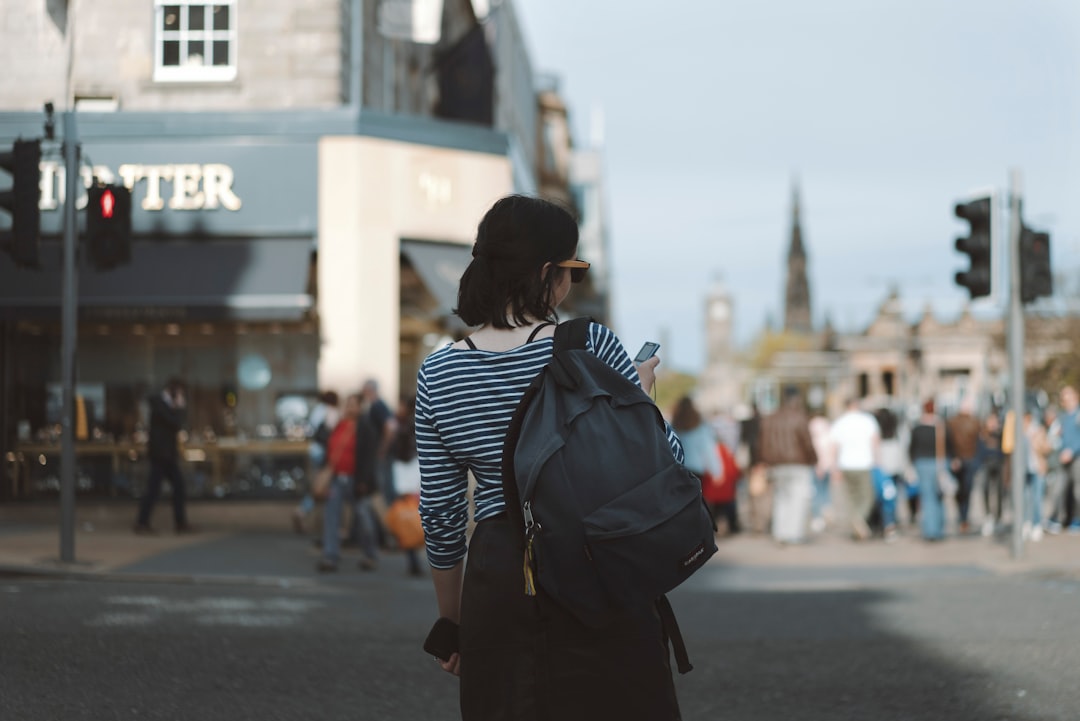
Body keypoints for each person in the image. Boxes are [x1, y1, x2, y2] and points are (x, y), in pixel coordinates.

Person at [416, 195, 683, 719]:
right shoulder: (589, 346)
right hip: (596, 563)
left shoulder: (438, 373)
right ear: (547, 273)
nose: (572, 283)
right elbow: (665, 462)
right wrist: (640, 398)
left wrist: (453, 622)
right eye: (573, 269)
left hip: (498, 577)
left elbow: (441, 515)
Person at [317, 393, 379, 572]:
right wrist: (326, 423)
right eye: (347, 404)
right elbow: (322, 440)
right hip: (336, 478)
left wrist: (364, 482)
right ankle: (330, 557)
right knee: (331, 517)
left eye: (353, 405)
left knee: (363, 518)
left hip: (357, 480)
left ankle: (370, 554)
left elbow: (369, 457)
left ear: (360, 407)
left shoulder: (366, 427)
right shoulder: (337, 424)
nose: (350, 408)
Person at [759, 386, 818, 544]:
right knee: (798, 499)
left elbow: (763, 443)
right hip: (798, 464)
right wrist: (814, 459)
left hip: (777, 465)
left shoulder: (771, 418)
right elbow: (807, 442)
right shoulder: (799, 417)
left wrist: (766, 461)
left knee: (781, 498)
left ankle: (780, 532)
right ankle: (794, 534)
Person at [134, 377, 193, 534]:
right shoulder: (158, 402)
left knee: (177, 487)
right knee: (154, 489)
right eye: (179, 392)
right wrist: (180, 406)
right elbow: (175, 423)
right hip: (160, 454)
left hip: (168, 455)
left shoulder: (165, 404)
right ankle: (142, 523)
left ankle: (179, 523)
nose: (180, 395)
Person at [828, 397, 881, 541]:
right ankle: (860, 519)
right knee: (866, 497)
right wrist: (878, 462)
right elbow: (875, 442)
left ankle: (856, 522)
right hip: (864, 463)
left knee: (851, 497)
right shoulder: (868, 421)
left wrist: (834, 467)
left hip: (845, 464)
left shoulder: (840, 422)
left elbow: (834, 447)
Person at [293, 390, 339, 535]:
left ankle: (305, 512)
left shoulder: (317, 410)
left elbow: (309, 430)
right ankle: (307, 513)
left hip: (314, 450)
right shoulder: (331, 412)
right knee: (323, 486)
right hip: (325, 453)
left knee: (318, 485)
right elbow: (332, 434)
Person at [671, 395, 723, 503]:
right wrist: (717, 470)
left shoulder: (674, 424)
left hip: (678, 471)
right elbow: (708, 449)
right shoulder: (700, 425)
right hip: (697, 472)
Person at [908, 399, 945, 541]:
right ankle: (938, 528)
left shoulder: (918, 428)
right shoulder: (940, 427)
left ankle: (930, 531)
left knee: (927, 497)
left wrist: (911, 464)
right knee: (939, 497)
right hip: (939, 463)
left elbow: (912, 448)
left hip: (922, 464)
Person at [946, 398, 982, 535]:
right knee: (966, 490)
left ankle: (962, 517)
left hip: (958, 460)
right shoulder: (975, 422)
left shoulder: (951, 422)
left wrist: (953, 457)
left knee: (959, 490)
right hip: (969, 460)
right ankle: (964, 517)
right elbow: (980, 442)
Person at [1056, 385, 1080, 533]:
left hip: (1077, 457)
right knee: (1060, 489)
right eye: (1064, 397)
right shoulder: (1063, 416)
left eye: (1068, 396)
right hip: (1064, 457)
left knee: (1078, 491)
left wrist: (1071, 451)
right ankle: (1062, 518)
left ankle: (1077, 520)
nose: (1066, 400)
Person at [808, 409, 832, 533]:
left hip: (816, 464)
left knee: (816, 491)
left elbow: (814, 448)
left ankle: (818, 517)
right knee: (825, 490)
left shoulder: (812, 429)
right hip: (827, 464)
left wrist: (818, 465)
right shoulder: (828, 429)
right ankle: (826, 510)